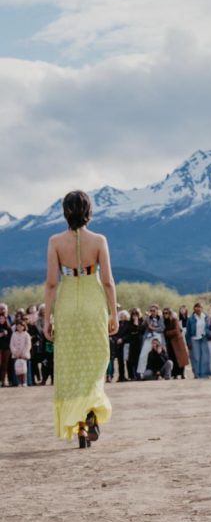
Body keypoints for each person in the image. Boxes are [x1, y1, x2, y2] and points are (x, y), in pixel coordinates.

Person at [43, 190, 117, 449]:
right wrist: (114, 313)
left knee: (70, 367)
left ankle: (81, 428)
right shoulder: (99, 240)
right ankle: (90, 411)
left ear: (65, 212)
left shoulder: (54, 242)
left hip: (67, 304)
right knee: (97, 362)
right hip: (92, 302)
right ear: (89, 211)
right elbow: (107, 281)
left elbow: (52, 283)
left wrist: (47, 319)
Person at [137, 305, 165, 378]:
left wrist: (153, 328)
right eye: (151, 310)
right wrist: (146, 319)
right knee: (143, 354)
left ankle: (160, 372)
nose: (152, 312)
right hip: (148, 337)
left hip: (157, 337)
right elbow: (142, 327)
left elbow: (162, 328)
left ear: (157, 311)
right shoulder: (147, 318)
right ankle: (141, 373)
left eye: (154, 310)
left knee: (158, 353)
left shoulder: (160, 318)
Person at [162, 308, 190, 378]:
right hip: (169, 343)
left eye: (167, 313)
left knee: (180, 359)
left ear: (170, 313)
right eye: (164, 313)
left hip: (177, 342)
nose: (165, 314)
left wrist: (167, 333)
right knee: (172, 358)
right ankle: (174, 374)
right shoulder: (164, 322)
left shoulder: (174, 320)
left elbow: (176, 331)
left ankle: (182, 374)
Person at [186, 301, 210, 378]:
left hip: (204, 338)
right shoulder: (191, 318)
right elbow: (188, 331)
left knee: (205, 357)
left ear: (202, 308)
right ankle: (197, 374)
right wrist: (188, 342)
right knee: (196, 357)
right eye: (196, 307)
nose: (198, 308)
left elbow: (209, 327)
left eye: (199, 307)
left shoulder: (206, 317)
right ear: (194, 309)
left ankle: (204, 373)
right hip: (194, 339)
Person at [10, 320, 31, 387]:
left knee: (24, 370)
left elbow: (28, 345)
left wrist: (23, 353)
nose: (19, 328)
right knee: (17, 370)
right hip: (16, 355)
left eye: (21, 326)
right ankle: (18, 382)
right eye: (18, 326)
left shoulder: (26, 334)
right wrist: (15, 352)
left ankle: (25, 382)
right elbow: (11, 344)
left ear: (23, 327)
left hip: (24, 355)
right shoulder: (14, 334)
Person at [0, 308, 12, 387]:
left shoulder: (8, 328)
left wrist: (5, 334)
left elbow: (11, 338)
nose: (1, 319)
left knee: (5, 365)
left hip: (7, 349)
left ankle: (3, 381)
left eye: (2, 318)